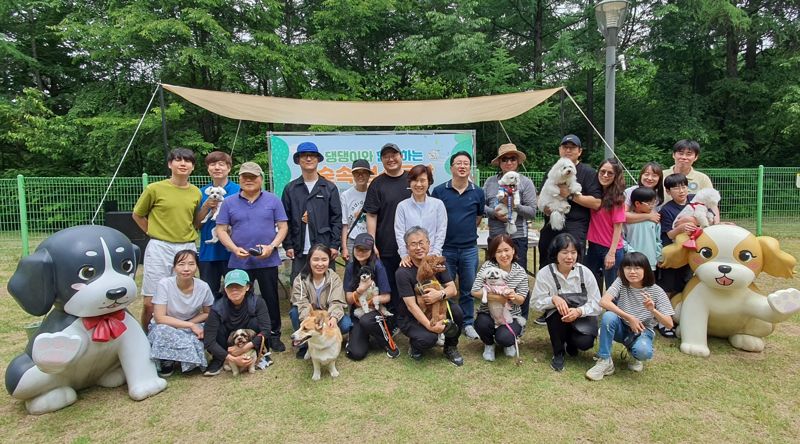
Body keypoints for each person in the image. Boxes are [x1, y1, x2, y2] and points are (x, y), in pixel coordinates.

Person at [215, 161, 289, 352]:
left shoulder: (273, 200)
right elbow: (221, 229)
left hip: (267, 259)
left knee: (270, 298)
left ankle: (274, 336)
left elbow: (283, 227)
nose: (249, 180)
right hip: (239, 260)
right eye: (245, 177)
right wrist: (233, 248)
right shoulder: (229, 202)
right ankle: (241, 336)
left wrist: (272, 247)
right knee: (238, 299)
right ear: (238, 179)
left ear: (261, 179)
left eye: (253, 177)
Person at [133, 147, 202, 329]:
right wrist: (152, 232)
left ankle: (178, 337)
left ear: (193, 167)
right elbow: (138, 215)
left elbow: (194, 222)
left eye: (187, 161)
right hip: (160, 248)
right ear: (170, 164)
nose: (183, 164)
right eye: (178, 160)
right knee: (151, 301)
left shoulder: (196, 192)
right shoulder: (154, 189)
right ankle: (146, 337)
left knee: (182, 299)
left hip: (186, 248)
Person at [585, 252, 675, 380]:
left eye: (637, 268)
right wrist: (629, 317)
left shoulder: (656, 291)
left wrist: (653, 310)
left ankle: (635, 354)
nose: (632, 272)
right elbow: (604, 301)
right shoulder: (621, 282)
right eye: (628, 268)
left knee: (643, 351)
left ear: (646, 270)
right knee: (609, 317)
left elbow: (669, 324)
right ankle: (605, 361)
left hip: (642, 331)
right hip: (622, 325)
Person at [431, 151, 485, 340]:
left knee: (468, 289)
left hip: (469, 248)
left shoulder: (478, 191)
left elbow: (478, 217)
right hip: (446, 249)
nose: (462, 166)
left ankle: (468, 323)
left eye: (466, 164)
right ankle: (445, 322)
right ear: (451, 167)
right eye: (458, 163)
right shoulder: (439, 191)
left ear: (470, 168)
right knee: (444, 289)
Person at [395, 226, 464, 366]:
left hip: (436, 307)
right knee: (428, 339)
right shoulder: (402, 272)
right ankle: (415, 345)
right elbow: (411, 306)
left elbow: (452, 289)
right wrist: (430, 326)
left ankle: (450, 347)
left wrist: (439, 294)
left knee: (457, 312)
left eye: (421, 243)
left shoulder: (437, 262)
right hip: (411, 316)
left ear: (428, 244)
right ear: (407, 248)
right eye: (413, 244)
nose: (418, 247)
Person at [533, 233, 601, 372]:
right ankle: (558, 353)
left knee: (585, 343)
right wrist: (553, 299)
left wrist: (579, 311)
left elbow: (598, 303)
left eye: (573, 252)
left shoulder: (585, 273)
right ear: (555, 254)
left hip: (581, 318)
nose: (569, 257)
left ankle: (572, 343)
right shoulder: (545, 273)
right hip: (559, 318)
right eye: (564, 252)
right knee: (558, 311)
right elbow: (535, 302)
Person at [537, 135, 602, 270]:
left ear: (579, 151)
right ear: (560, 150)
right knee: (546, 263)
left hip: (575, 226)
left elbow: (596, 203)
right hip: (551, 224)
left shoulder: (589, 172)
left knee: (573, 265)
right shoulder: (552, 170)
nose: (568, 150)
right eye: (565, 147)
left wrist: (570, 195)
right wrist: (545, 208)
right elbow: (542, 195)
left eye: (572, 148)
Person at [282, 141, 342, 282]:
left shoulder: (329, 188)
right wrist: (288, 244)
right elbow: (285, 219)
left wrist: (334, 245)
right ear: (298, 160)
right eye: (304, 156)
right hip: (299, 249)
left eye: (312, 155)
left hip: (324, 248)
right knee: (299, 289)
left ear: (318, 159)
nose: (308, 159)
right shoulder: (290, 189)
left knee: (327, 288)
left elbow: (337, 218)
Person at [148, 250, 214, 376]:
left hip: (191, 322)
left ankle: (187, 359)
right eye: (181, 264)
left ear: (197, 267)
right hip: (166, 325)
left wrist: (190, 324)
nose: (186, 269)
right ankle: (166, 360)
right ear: (174, 267)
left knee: (205, 331)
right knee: (163, 331)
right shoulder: (164, 284)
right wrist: (190, 326)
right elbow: (159, 318)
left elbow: (207, 313)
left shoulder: (203, 286)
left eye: (191, 264)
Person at [363, 143, 411, 311]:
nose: (391, 159)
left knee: (411, 283)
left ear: (401, 156)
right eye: (386, 156)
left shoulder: (412, 180)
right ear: (382, 160)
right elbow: (371, 214)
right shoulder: (377, 184)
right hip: (387, 245)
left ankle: (411, 318)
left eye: (394, 154)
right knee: (389, 283)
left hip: (412, 247)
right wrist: (372, 242)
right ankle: (393, 320)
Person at [203, 269, 273, 376]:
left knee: (255, 322)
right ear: (225, 289)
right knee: (218, 328)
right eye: (230, 286)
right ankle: (219, 359)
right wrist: (231, 357)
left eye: (239, 286)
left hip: (250, 342)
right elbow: (209, 341)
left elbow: (266, 330)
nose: (234, 290)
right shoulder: (217, 307)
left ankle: (260, 354)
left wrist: (244, 348)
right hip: (228, 345)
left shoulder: (257, 302)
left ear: (247, 287)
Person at [470, 235, 528, 361]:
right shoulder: (488, 266)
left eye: (506, 250)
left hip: (511, 316)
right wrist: (497, 298)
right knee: (481, 324)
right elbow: (474, 291)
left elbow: (521, 299)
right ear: (494, 254)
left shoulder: (520, 272)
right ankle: (489, 344)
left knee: (505, 338)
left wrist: (513, 296)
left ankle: (508, 342)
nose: (503, 255)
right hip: (488, 312)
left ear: (513, 250)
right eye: (499, 251)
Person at [289, 244, 352, 359]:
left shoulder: (334, 278)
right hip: (309, 316)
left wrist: (333, 317)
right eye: (316, 259)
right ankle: (305, 344)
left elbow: (336, 301)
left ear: (329, 260)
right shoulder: (300, 279)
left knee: (346, 324)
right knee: (294, 312)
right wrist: (308, 321)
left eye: (324, 259)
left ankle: (326, 341)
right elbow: (301, 303)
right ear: (309, 261)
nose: (320, 264)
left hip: (327, 315)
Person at [343, 233, 399, 360]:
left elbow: (387, 297)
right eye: (358, 249)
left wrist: (373, 300)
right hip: (358, 311)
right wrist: (360, 290)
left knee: (366, 320)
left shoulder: (378, 266)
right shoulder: (350, 268)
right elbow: (348, 299)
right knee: (356, 353)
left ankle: (388, 343)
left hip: (375, 311)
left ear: (371, 250)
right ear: (353, 249)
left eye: (365, 249)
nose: (361, 252)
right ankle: (363, 337)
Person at [482, 143, 537, 271]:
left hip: (517, 237)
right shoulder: (490, 182)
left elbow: (532, 212)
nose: (509, 162)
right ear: (499, 162)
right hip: (495, 236)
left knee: (518, 277)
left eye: (512, 158)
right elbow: (480, 206)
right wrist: (494, 213)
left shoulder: (526, 182)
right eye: (504, 159)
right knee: (494, 277)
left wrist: (514, 206)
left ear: (517, 162)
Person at [195, 151, 240, 298]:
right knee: (208, 295)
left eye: (221, 164)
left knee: (235, 293)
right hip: (209, 252)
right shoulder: (201, 193)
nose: (217, 168)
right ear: (208, 169)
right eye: (212, 164)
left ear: (229, 168)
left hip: (233, 251)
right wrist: (206, 206)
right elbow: (196, 224)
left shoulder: (239, 191)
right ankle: (212, 321)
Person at [655, 173, 696, 337]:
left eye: (684, 186)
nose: (681, 190)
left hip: (691, 255)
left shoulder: (695, 203)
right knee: (667, 288)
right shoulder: (667, 209)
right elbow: (669, 235)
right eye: (676, 188)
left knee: (685, 286)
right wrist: (681, 228)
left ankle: (682, 319)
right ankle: (662, 322)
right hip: (673, 256)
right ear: (668, 191)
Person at [584, 159, 626, 290]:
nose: (605, 175)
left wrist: (612, 253)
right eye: (602, 171)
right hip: (593, 246)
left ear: (616, 176)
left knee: (612, 289)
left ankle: (613, 311)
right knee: (591, 285)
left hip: (610, 248)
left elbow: (618, 226)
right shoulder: (594, 193)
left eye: (610, 173)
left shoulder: (617, 197)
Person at [394, 164, 447, 265]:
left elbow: (441, 231)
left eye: (422, 180)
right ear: (410, 183)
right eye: (415, 180)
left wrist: (435, 253)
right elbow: (400, 233)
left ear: (429, 182)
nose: (418, 184)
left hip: (432, 258)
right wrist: (404, 255)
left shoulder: (438, 204)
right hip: (411, 259)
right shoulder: (402, 206)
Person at [340, 159, 373, 262]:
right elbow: (344, 223)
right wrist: (344, 248)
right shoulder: (346, 195)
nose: (360, 176)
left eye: (364, 172)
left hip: (371, 240)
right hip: (352, 240)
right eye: (357, 173)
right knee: (351, 272)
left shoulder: (374, 193)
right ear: (353, 175)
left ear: (369, 175)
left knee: (371, 272)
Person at [623, 187, 662, 272]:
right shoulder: (628, 221)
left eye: (654, 203)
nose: (652, 206)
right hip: (631, 261)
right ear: (637, 203)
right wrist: (631, 252)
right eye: (649, 203)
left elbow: (658, 240)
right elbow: (622, 239)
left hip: (650, 261)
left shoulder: (655, 219)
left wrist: (658, 256)